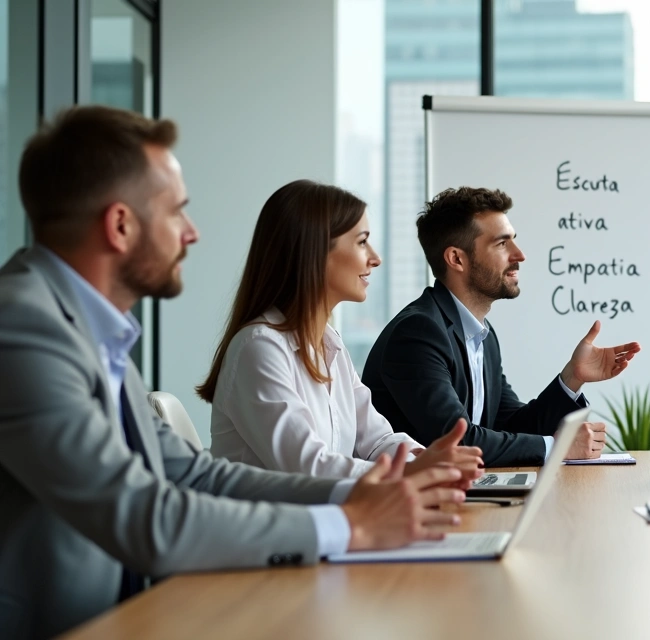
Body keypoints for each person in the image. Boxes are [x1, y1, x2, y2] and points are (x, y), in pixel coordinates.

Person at [0, 105, 466, 639]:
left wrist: (356, 499)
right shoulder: (22, 328)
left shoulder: (94, 331)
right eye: (177, 212)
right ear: (121, 225)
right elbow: (142, 514)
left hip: (133, 614)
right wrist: (349, 524)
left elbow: (197, 475)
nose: (192, 233)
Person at [198, 180, 483, 484]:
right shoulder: (259, 348)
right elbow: (308, 468)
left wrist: (427, 459)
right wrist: (411, 471)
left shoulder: (329, 344)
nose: (375, 258)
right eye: (362, 242)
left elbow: (376, 439)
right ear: (316, 252)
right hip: (275, 528)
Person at [362, 187, 642, 467]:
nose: (519, 255)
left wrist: (572, 377)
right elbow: (457, 443)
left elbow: (511, 426)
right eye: (501, 243)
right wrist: (557, 447)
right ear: (457, 259)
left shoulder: (482, 334)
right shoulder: (418, 332)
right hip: (414, 504)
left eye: (514, 241)